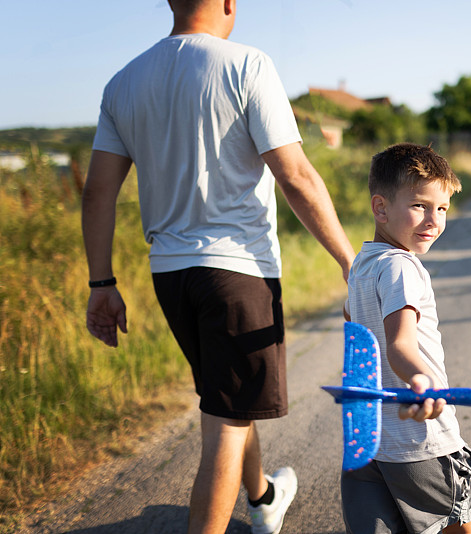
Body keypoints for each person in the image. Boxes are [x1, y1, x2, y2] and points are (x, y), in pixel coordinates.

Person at [81, 1, 355, 533]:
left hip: (171, 275)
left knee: (225, 399)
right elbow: (294, 174)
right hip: (238, 273)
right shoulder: (248, 64)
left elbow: (97, 192)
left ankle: (263, 499)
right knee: (227, 425)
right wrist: (350, 261)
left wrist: (102, 283)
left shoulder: (123, 82)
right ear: (229, 2)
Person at [342, 143, 471, 534]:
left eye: (442, 209)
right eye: (420, 205)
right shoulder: (403, 267)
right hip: (423, 439)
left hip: (372, 441)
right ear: (381, 208)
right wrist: (422, 381)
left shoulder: (362, 266)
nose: (433, 220)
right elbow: (400, 344)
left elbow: (354, 325)